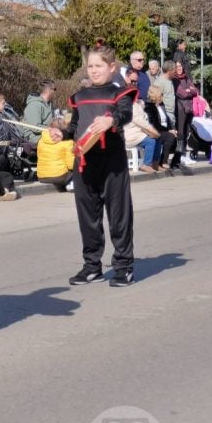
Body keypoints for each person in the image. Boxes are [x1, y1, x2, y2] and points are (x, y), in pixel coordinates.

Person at [67, 45, 137, 287]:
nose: (94, 71)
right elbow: (74, 126)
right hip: (85, 162)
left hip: (112, 161)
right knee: (88, 217)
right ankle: (92, 266)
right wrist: (61, 132)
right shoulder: (79, 96)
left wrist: (111, 120)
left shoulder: (121, 93)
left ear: (111, 67)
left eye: (99, 66)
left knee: (119, 215)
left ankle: (123, 266)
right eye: (90, 66)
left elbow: (126, 115)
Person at [122, 68, 160, 173]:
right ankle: (146, 164)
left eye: (136, 82)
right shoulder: (126, 100)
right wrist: (150, 130)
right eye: (132, 81)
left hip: (137, 131)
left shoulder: (136, 101)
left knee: (158, 139)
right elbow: (138, 119)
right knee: (151, 141)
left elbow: (142, 116)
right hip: (130, 133)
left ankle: (155, 163)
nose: (134, 84)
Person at [143, 85, 179, 170]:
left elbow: (167, 119)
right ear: (156, 95)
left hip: (163, 130)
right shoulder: (149, 107)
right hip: (155, 130)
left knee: (178, 135)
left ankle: (175, 161)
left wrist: (172, 129)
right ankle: (163, 161)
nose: (162, 96)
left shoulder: (161, 105)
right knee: (170, 136)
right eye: (161, 95)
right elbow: (153, 124)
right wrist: (169, 130)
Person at [36, 118, 75, 192]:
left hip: (42, 176)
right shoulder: (67, 142)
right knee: (77, 172)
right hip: (59, 176)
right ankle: (71, 184)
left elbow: (38, 156)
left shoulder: (41, 140)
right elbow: (71, 164)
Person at [172, 61, 197, 162]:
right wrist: (189, 90)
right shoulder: (174, 79)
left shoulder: (187, 77)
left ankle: (183, 153)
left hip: (189, 107)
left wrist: (190, 90)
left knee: (187, 131)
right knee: (181, 131)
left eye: (180, 66)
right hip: (180, 107)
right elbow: (181, 94)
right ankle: (179, 154)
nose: (179, 68)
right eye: (177, 66)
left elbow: (196, 91)